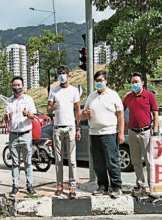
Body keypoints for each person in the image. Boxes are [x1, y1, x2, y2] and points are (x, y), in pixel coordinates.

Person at [83, 71, 124, 198]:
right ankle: (102, 186)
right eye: (97, 81)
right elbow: (85, 112)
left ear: (106, 81)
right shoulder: (91, 96)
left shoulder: (113, 95)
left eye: (101, 80)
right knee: (98, 162)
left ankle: (116, 186)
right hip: (94, 133)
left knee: (111, 161)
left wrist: (121, 133)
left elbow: (120, 114)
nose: (99, 83)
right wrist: (87, 114)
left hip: (109, 133)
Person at [47, 65, 81, 199]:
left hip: (71, 127)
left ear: (68, 75)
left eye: (64, 73)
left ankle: (72, 185)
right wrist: (52, 108)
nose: (62, 75)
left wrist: (78, 128)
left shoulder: (74, 91)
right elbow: (48, 109)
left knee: (72, 159)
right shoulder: (54, 91)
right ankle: (59, 185)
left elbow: (78, 110)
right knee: (59, 159)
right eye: (59, 73)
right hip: (57, 127)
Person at [123, 72, 159, 196]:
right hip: (132, 133)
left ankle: (152, 186)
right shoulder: (128, 97)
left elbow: (155, 114)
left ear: (142, 82)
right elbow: (121, 111)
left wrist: (154, 131)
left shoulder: (149, 96)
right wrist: (124, 126)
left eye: (136, 82)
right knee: (135, 161)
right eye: (132, 82)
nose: (134, 84)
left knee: (149, 161)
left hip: (146, 132)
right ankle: (140, 185)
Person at [4, 76, 37, 197]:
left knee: (28, 161)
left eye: (18, 85)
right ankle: (15, 186)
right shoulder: (8, 101)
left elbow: (33, 116)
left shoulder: (28, 99)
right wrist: (7, 117)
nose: (16, 87)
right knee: (15, 162)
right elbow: (5, 119)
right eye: (14, 85)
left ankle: (30, 185)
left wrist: (27, 114)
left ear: (23, 86)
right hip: (13, 135)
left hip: (26, 134)